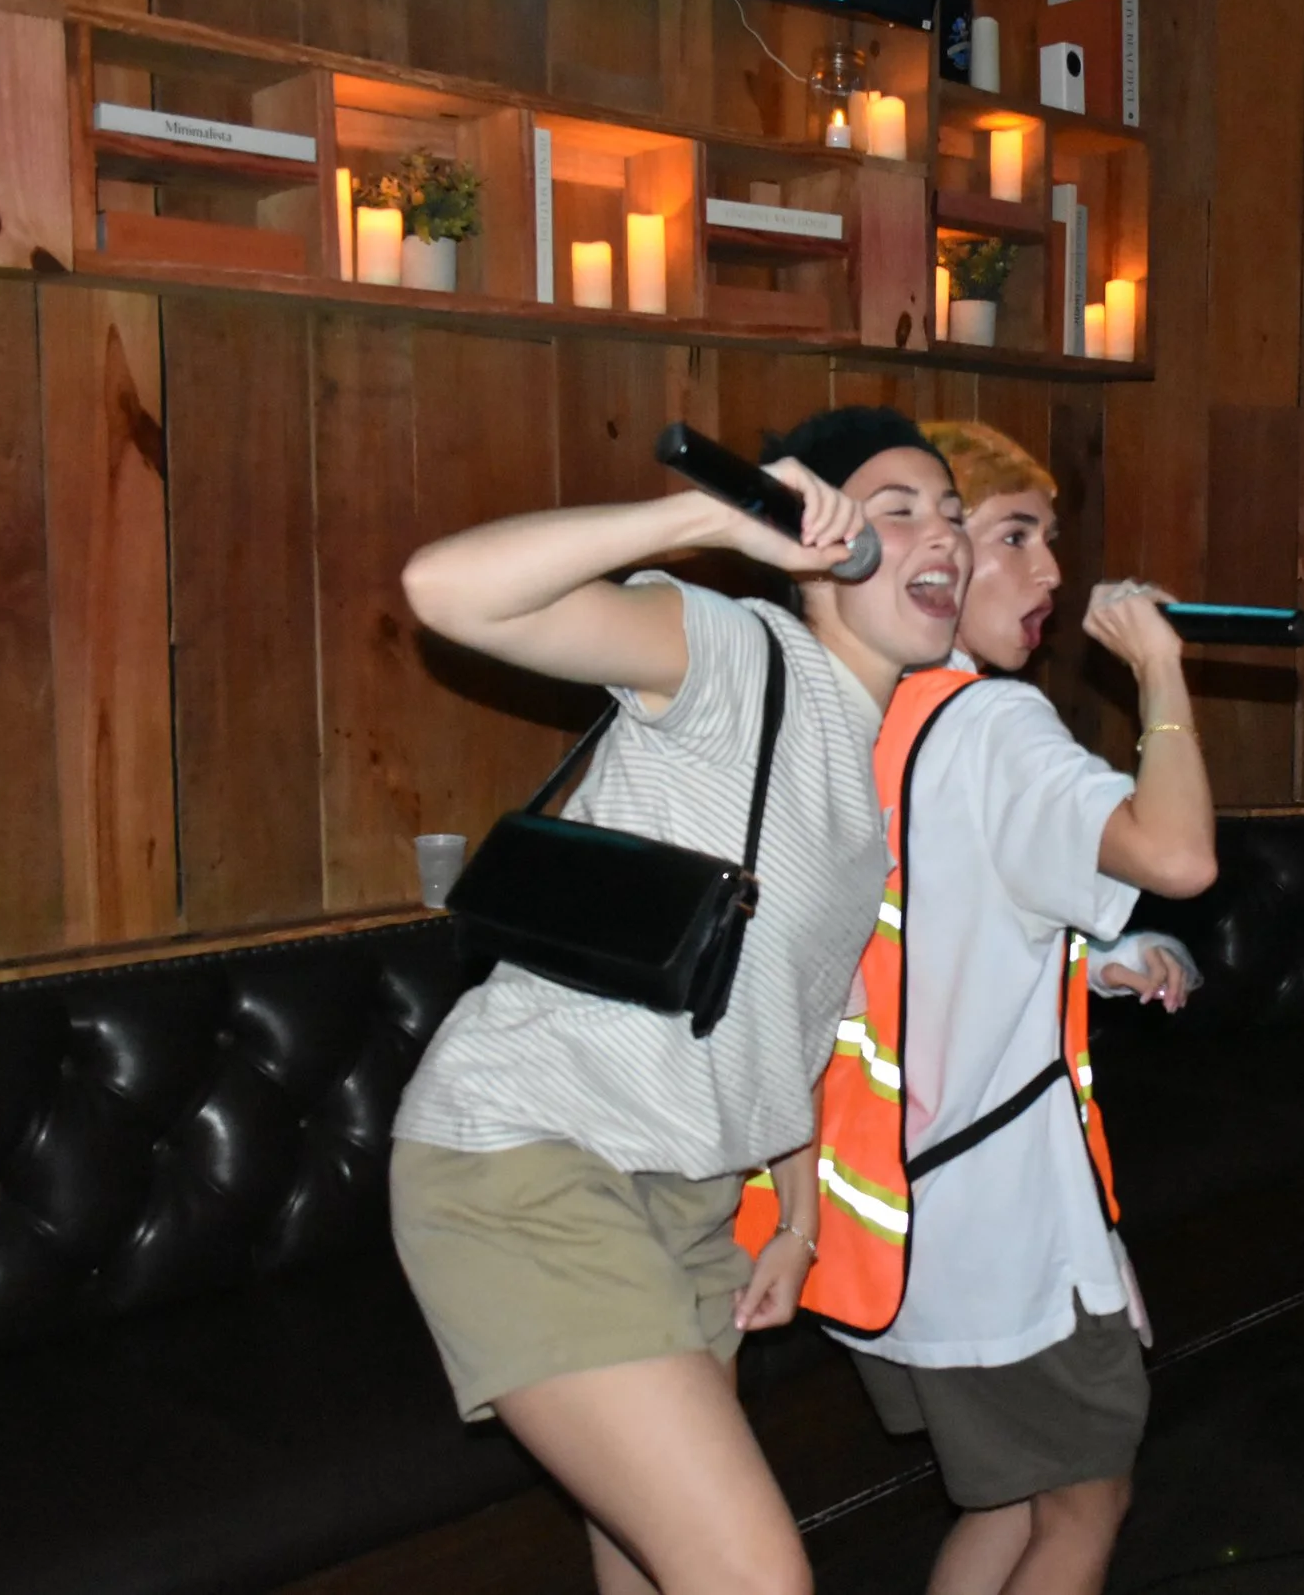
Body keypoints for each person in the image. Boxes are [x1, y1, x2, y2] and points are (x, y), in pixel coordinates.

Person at [389, 407, 968, 1595]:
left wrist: (795, 1219)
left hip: (687, 1209)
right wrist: (708, 519)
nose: (940, 536)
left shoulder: (859, 801)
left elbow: (786, 1032)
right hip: (533, 1162)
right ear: (827, 534)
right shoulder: (733, 654)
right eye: (897, 506)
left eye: (953, 516)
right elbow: (444, 587)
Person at [743, 420, 1215, 1595]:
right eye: (1012, 535)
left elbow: (912, 933)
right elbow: (1180, 855)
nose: (1052, 572)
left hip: (888, 1223)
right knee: (1084, 1503)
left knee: (1008, 1502)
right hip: (1003, 1234)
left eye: (1044, 537)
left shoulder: (854, 714)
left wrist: (1082, 959)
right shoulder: (995, 723)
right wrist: (1159, 672)